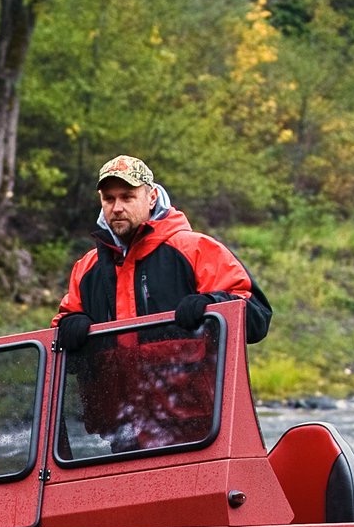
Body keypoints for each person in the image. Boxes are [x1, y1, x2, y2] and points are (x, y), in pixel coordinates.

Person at [53, 156, 272, 450]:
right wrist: (70, 327)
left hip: (199, 432)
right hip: (122, 433)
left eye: (128, 197)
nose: (117, 207)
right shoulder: (87, 268)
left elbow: (255, 314)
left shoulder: (195, 249)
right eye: (109, 199)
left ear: (151, 196)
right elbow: (58, 339)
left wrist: (212, 306)